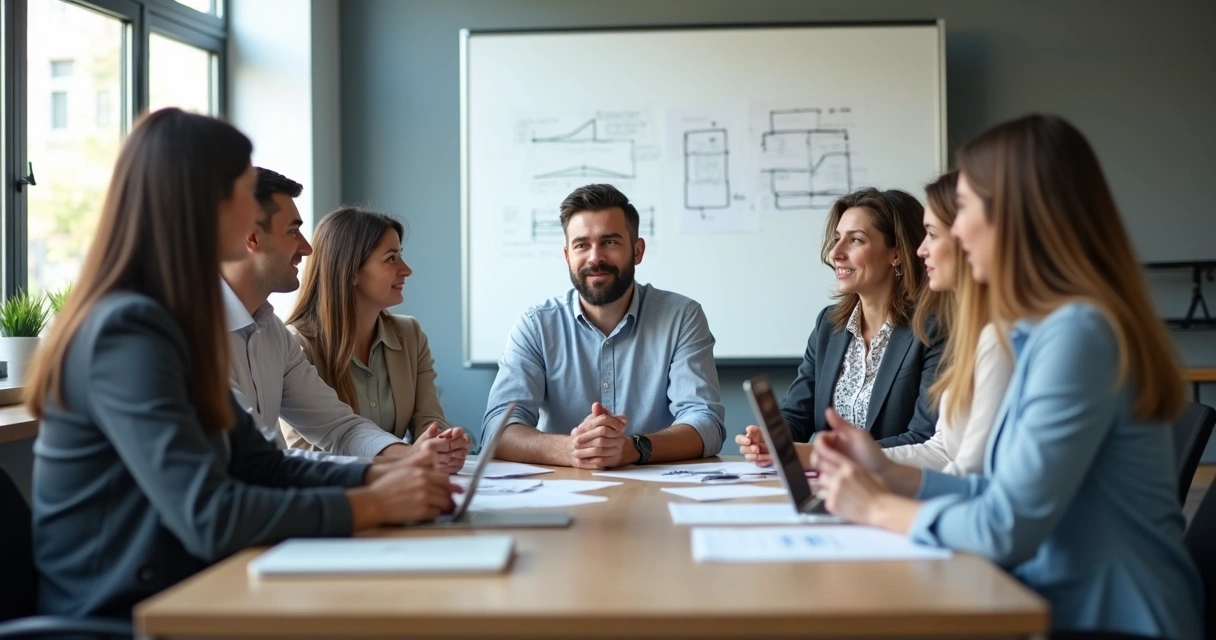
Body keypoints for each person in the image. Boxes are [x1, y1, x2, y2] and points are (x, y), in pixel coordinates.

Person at [25, 108, 459, 620]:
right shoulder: (128, 331)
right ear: (205, 204)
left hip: (188, 588)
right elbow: (210, 515)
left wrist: (379, 477)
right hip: (123, 615)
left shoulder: (178, 321)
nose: (253, 211)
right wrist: (376, 503)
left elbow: (262, 465)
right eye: (243, 192)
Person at [812, 114, 1202, 638]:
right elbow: (997, 493)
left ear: (1015, 216)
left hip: (1109, 621)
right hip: (1049, 601)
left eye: (965, 208)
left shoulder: (1078, 335)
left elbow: (1005, 526)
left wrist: (878, 508)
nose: (953, 232)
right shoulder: (1038, 333)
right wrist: (887, 472)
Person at [221, 169, 470, 470]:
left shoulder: (272, 334)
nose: (307, 248)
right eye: (293, 231)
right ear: (252, 237)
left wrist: (413, 456)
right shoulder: (192, 336)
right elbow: (257, 458)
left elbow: (339, 427)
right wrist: (376, 481)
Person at [482, 183, 725, 469]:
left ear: (637, 251)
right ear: (567, 256)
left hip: (656, 488)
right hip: (562, 487)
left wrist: (634, 448)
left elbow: (707, 423)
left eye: (610, 242)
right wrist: (572, 450)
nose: (595, 257)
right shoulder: (536, 325)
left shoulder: (682, 317)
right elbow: (497, 430)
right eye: (581, 245)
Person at [737, 187, 940, 467]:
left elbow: (924, 439)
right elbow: (797, 415)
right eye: (836, 239)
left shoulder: (932, 329)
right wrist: (771, 438)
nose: (835, 253)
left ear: (896, 253)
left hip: (892, 484)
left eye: (855, 240)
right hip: (827, 483)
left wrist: (820, 454)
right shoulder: (828, 325)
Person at [284, 207, 459, 454]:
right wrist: (404, 457)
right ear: (351, 271)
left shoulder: (410, 334)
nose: (407, 270)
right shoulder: (295, 345)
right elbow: (304, 453)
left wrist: (442, 443)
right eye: (391, 258)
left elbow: (429, 420)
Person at [883, 171, 1014, 475]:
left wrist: (876, 495)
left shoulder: (1001, 337)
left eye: (932, 234)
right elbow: (943, 449)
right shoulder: (972, 332)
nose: (920, 250)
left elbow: (971, 470)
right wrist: (857, 459)